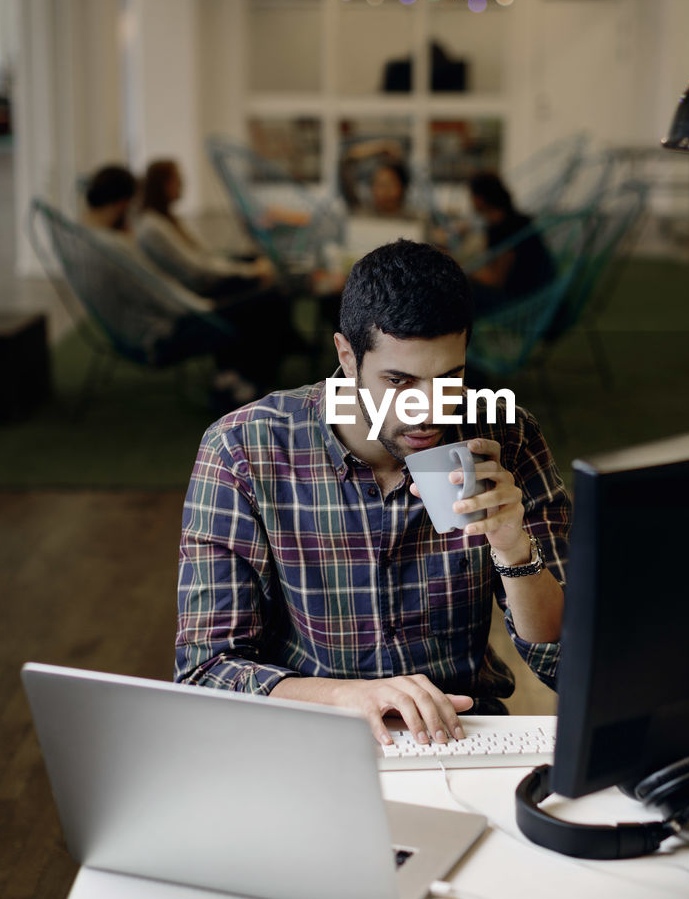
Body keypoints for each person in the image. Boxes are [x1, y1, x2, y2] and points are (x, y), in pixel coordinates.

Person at [176, 239, 569, 747]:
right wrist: (348, 697)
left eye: (450, 379)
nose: (428, 410)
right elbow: (205, 673)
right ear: (346, 356)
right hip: (312, 732)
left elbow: (564, 659)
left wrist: (515, 550)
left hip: (463, 731)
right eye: (400, 381)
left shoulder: (506, 436)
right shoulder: (244, 449)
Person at [82, 164, 291, 404]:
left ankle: (240, 373)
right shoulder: (118, 247)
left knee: (253, 296)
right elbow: (161, 293)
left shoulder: (91, 239)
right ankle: (245, 382)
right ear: (123, 204)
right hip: (163, 332)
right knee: (264, 299)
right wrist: (205, 307)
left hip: (162, 318)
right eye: (177, 181)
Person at [134, 158, 275, 297]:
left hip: (207, 280)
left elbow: (204, 258)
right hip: (202, 291)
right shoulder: (154, 227)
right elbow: (196, 268)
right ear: (163, 185)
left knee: (255, 260)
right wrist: (250, 271)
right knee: (273, 289)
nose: (183, 184)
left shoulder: (167, 220)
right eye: (177, 179)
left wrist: (248, 267)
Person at [467, 171, 556, 312]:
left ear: (480, 199)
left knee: (461, 293)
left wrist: (461, 271)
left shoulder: (504, 229)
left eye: (471, 196)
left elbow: (496, 280)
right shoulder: (518, 221)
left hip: (525, 306)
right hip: (542, 299)